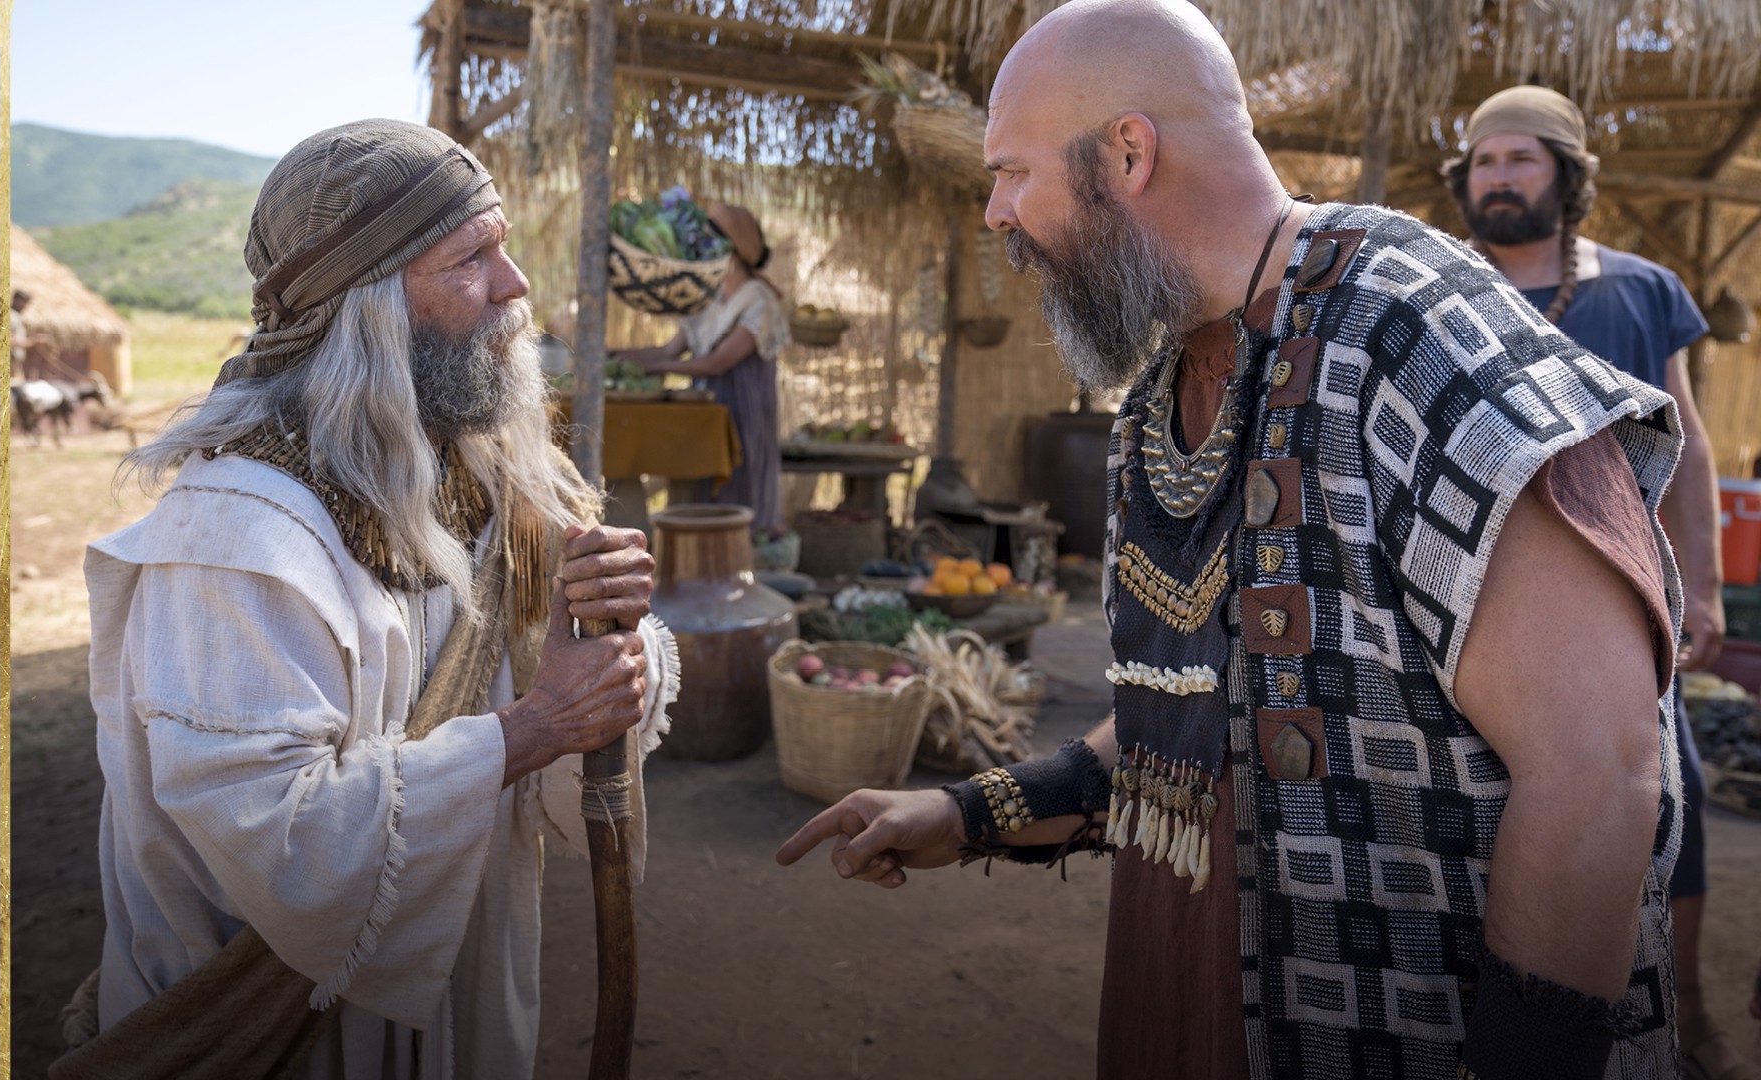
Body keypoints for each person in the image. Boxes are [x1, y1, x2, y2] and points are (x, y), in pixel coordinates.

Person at [777, 2, 1686, 1078]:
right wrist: (968, 811)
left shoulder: (1418, 334)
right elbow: (1197, 715)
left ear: (1128, 153)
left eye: (1013, 172)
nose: (995, 212)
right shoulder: (1163, 387)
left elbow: (1598, 770)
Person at [62, 119, 679, 1080]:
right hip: (284, 1039)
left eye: (504, 247)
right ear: (370, 307)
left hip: (458, 996)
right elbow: (283, 841)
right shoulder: (234, 536)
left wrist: (604, 624)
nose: (515, 285)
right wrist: (539, 726)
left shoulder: (488, 472)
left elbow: (563, 674)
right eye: (471, 259)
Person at [1448, 85, 1745, 1080]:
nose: (1499, 177)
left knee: (1668, 793)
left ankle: (1686, 1008)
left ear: (1568, 176)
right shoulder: (1438, 291)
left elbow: (1688, 452)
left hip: (1623, 604)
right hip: (1466, 597)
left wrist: (1705, 589)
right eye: (1485, 162)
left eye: (1521, 158)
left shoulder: (1643, 290)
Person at [617, 202, 789, 535]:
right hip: (708, 413)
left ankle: (743, 550)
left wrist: (656, 368)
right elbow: (669, 350)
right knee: (703, 484)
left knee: (739, 483)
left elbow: (717, 363)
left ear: (730, 250)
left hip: (744, 411)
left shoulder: (759, 301)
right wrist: (621, 356)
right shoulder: (709, 299)